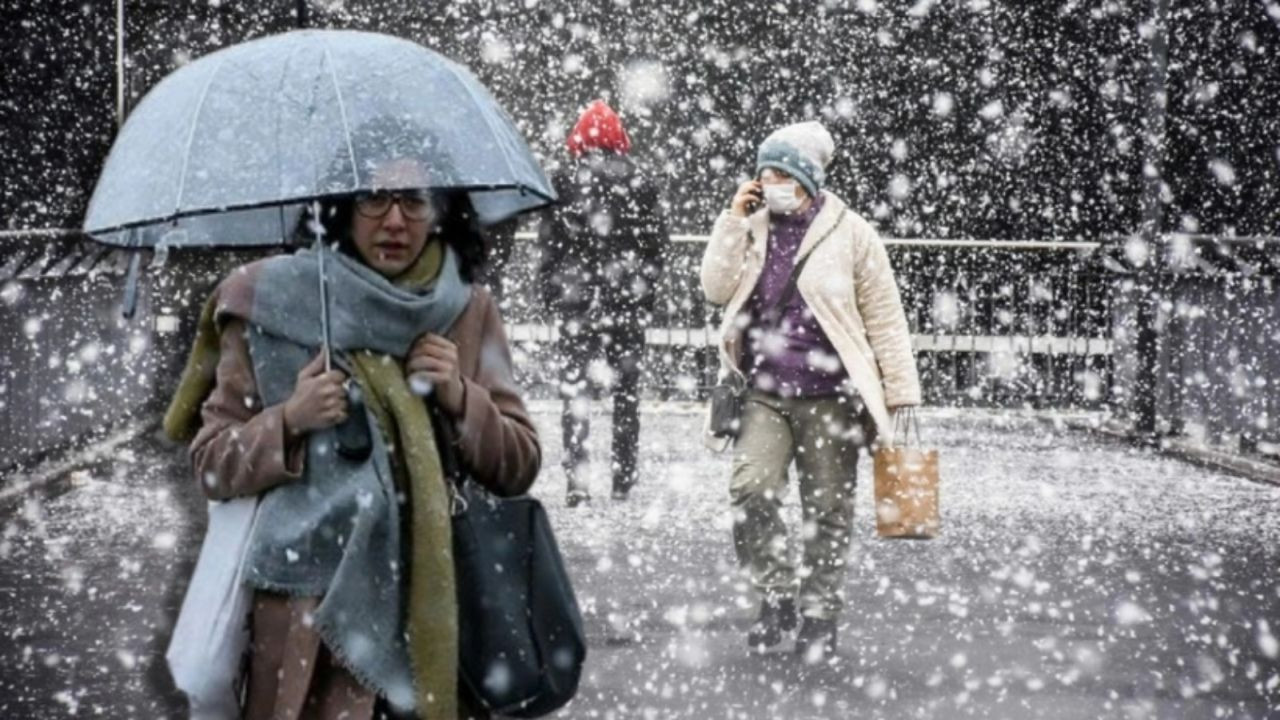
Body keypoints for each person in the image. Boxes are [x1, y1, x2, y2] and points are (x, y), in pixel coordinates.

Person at [167, 153, 540, 719]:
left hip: (431, 609)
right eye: (373, 198)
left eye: (414, 200)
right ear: (340, 207)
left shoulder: (465, 309)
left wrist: (461, 396)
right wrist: (289, 419)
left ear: (441, 210)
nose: (394, 220)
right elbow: (212, 466)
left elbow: (519, 464)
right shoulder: (269, 303)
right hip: (304, 617)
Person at [699, 121, 921, 661]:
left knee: (827, 509)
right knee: (751, 490)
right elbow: (714, 288)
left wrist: (900, 391)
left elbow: (885, 316)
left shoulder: (851, 233)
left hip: (831, 396)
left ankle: (820, 614)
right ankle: (775, 594)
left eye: (781, 174)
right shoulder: (752, 226)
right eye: (765, 174)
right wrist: (732, 220)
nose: (771, 184)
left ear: (807, 178)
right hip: (763, 391)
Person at [536, 99, 669, 505]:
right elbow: (656, 246)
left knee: (575, 393)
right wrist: (644, 292)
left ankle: (578, 483)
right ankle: (623, 479)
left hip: (577, 302)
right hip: (626, 301)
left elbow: (549, 244)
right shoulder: (641, 181)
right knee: (626, 395)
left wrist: (551, 291)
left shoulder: (563, 180)